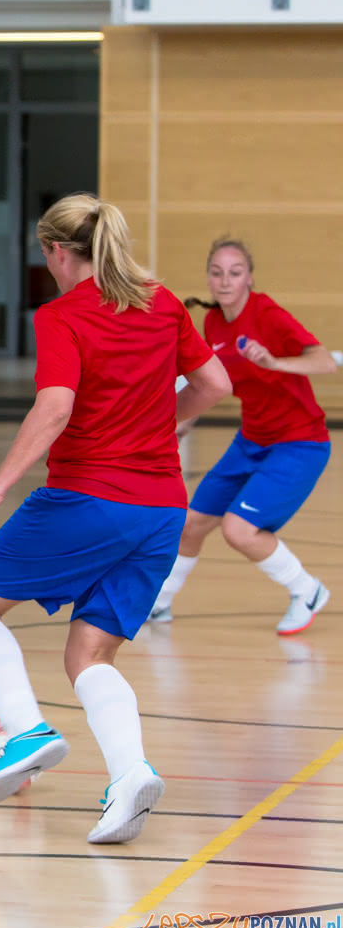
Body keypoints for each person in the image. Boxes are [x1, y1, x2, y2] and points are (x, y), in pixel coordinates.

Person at [0, 194, 231, 844]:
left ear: (55, 251)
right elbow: (216, 384)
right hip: (161, 510)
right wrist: (159, 422)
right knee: (90, 652)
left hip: (89, 498)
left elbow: (54, 408)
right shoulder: (161, 302)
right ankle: (130, 775)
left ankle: (25, 731)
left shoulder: (61, 315)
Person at [148, 238, 336, 635]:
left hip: (299, 443)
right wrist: (182, 423)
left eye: (234, 273)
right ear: (208, 278)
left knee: (239, 529)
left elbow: (324, 362)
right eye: (217, 273)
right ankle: (160, 604)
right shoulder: (213, 323)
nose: (225, 281)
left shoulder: (268, 314)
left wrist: (275, 362)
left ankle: (308, 591)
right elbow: (211, 383)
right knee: (191, 523)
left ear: (249, 277)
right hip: (252, 441)